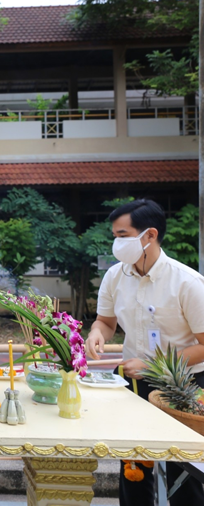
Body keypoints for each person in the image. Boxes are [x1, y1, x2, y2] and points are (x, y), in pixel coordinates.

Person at [85, 198, 204, 506]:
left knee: (184, 472)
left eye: (123, 235)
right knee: (133, 465)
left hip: (184, 386)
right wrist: (96, 334)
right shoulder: (115, 276)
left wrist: (153, 365)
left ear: (150, 235)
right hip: (134, 381)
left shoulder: (187, 282)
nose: (116, 243)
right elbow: (105, 322)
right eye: (114, 235)